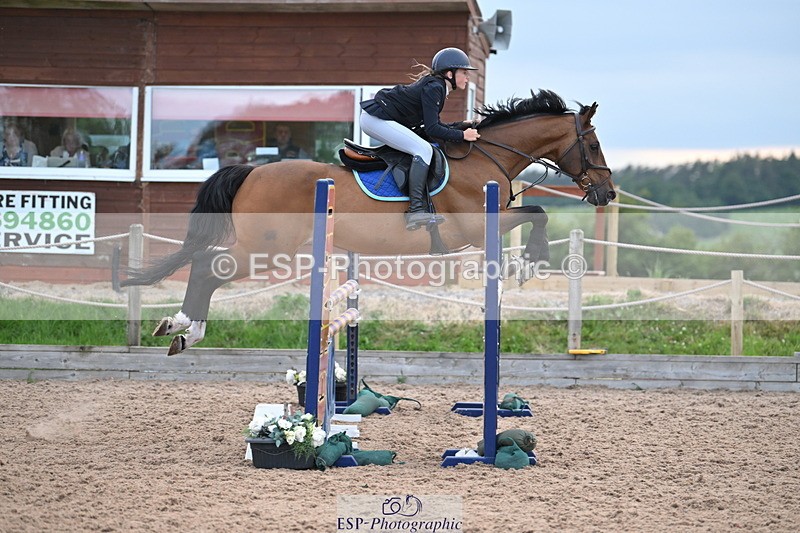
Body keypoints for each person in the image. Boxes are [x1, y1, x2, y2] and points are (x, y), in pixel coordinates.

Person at [359, 47, 481, 231]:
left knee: (422, 146)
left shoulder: (437, 86)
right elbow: (433, 129)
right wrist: (462, 135)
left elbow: (431, 127)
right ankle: (416, 210)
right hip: (376, 119)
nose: (467, 77)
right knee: (424, 150)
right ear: (450, 73)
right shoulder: (435, 88)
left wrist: (460, 125)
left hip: (378, 118)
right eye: (464, 72)